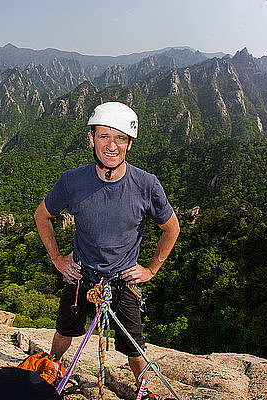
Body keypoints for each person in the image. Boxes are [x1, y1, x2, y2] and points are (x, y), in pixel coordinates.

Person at [34, 101, 180, 400]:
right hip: (81, 274)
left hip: (123, 280)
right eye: (104, 136)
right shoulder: (72, 181)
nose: (111, 146)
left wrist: (151, 270)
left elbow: (171, 228)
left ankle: (144, 391)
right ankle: (53, 368)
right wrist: (57, 259)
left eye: (120, 138)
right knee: (64, 331)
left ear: (129, 144)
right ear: (91, 139)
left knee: (133, 345)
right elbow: (42, 215)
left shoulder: (146, 185)